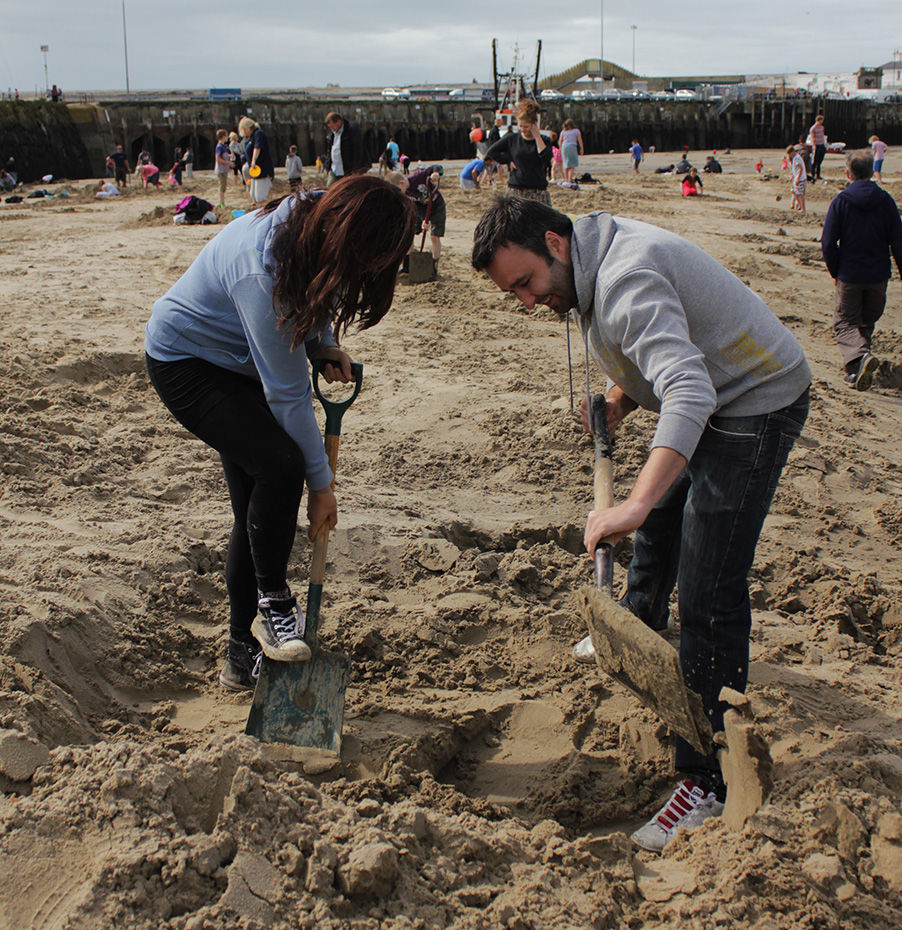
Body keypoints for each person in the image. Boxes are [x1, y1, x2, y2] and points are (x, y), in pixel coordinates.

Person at [471, 194, 811, 853]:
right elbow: (665, 346)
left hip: (757, 396)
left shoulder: (623, 278)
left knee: (710, 593)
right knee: (660, 525)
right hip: (720, 385)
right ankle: (639, 623)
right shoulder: (593, 264)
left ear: (556, 243)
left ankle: (709, 780)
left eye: (525, 283)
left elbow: (689, 386)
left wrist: (631, 504)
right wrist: (622, 399)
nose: (526, 300)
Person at [145, 176, 417, 691]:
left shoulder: (316, 219)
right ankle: (272, 604)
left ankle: (239, 655)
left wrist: (323, 341)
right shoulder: (262, 268)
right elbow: (288, 398)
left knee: (256, 502)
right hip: (186, 363)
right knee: (281, 465)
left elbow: (314, 289)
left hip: (239, 360)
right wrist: (321, 487)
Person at [820, 148, 902, 390]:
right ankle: (855, 371)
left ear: (848, 173)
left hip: (851, 273)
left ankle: (859, 359)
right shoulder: (886, 201)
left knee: (844, 323)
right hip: (877, 274)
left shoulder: (842, 201)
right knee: (865, 322)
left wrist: (836, 270)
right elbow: (897, 240)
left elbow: (827, 243)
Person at [484, 99, 552, 204]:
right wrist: (508, 160)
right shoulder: (512, 139)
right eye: (520, 126)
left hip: (538, 190)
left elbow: (546, 158)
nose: (523, 129)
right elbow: (491, 152)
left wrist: (537, 136)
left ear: (534, 124)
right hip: (516, 188)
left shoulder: (544, 140)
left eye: (526, 126)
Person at [388, 167, 444, 272]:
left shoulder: (418, 177)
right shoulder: (404, 194)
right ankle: (407, 266)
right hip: (421, 207)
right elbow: (417, 206)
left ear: (401, 183)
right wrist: (423, 220)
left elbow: (436, 167)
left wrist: (436, 173)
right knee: (409, 233)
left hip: (437, 206)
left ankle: (434, 266)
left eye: (398, 191)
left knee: (434, 236)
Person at [324, 111, 367, 187]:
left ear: (339, 121)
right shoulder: (332, 134)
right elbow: (330, 150)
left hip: (348, 169)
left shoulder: (352, 129)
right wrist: (327, 166)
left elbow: (358, 149)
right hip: (334, 169)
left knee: (349, 191)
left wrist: (356, 169)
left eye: (332, 126)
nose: (332, 129)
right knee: (330, 190)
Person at [239, 116, 275, 205]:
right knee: (254, 196)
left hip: (261, 169)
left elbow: (257, 148)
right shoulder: (252, 137)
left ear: (247, 128)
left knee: (260, 197)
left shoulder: (258, 134)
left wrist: (253, 161)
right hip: (255, 172)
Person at [559, 119, 584, 184]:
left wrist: (560, 149)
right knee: (572, 164)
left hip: (564, 147)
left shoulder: (563, 132)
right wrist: (581, 148)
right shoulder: (576, 131)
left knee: (566, 164)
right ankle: (570, 180)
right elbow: (580, 140)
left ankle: (566, 179)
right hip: (572, 147)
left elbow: (560, 141)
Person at [214, 129, 232, 207]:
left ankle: (222, 202)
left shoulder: (223, 146)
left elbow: (223, 156)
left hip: (224, 169)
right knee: (222, 186)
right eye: (226, 136)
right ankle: (222, 203)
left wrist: (230, 156)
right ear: (223, 136)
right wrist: (228, 163)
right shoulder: (219, 146)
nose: (227, 137)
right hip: (220, 170)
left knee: (224, 186)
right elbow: (218, 159)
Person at [788, 145, 806, 213]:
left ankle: (803, 209)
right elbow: (795, 169)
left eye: (790, 154)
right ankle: (799, 205)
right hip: (796, 177)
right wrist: (792, 176)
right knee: (793, 191)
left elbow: (800, 169)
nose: (789, 155)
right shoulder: (795, 158)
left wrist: (798, 178)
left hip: (800, 178)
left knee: (800, 194)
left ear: (793, 152)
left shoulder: (797, 158)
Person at [809, 114, 827, 181]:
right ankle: (813, 174)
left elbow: (822, 135)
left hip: (822, 144)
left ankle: (818, 174)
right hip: (817, 145)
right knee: (815, 161)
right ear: (818, 120)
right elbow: (812, 137)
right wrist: (814, 145)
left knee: (820, 160)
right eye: (821, 120)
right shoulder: (813, 128)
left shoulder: (822, 127)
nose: (822, 121)